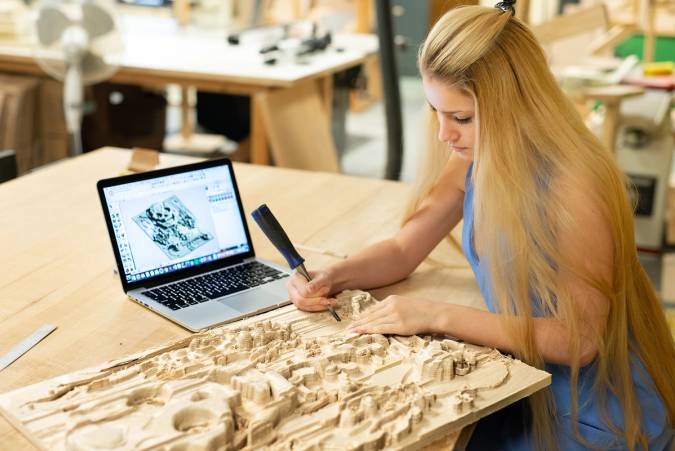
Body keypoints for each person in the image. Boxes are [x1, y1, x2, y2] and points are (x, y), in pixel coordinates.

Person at [286, 2, 675, 449]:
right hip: (525, 380)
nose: (443, 135)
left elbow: (580, 340)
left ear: (516, 104)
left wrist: (436, 314)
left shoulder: (572, 186)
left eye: (461, 118)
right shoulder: (476, 155)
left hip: (594, 414)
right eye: (435, 111)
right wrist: (333, 274)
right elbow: (403, 251)